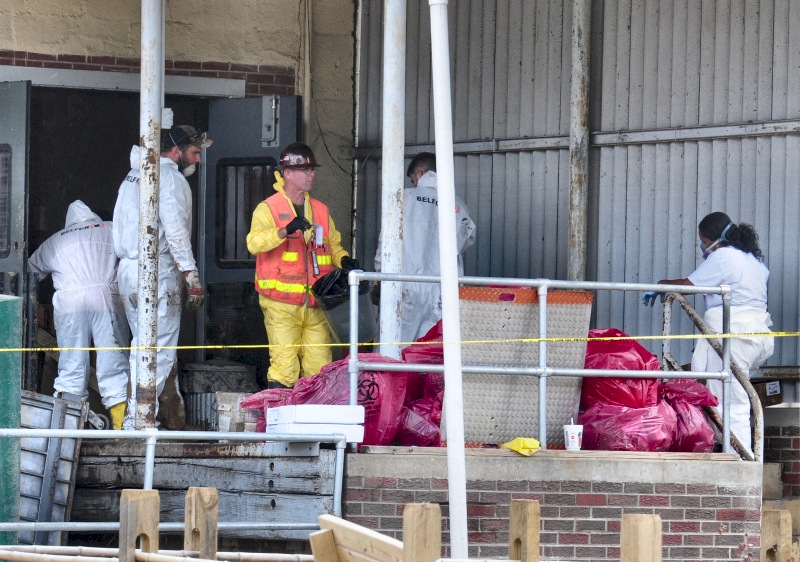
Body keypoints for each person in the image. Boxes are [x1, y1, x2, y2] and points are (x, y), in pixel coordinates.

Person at [644, 212, 774, 454]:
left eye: (704, 242)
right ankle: (729, 450)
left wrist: (661, 284)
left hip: (734, 336)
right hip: (757, 337)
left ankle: (739, 464)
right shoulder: (754, 261)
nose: (705, 248)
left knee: (729, 401)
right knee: (726, 394)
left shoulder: (724, 256)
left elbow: (690, 285)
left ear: (714, 239)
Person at [113, 125, 212, 424]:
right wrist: (191, 274)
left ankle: (137, 416)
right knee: (160, 350)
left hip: (128, 270)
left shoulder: (132, 176)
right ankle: (140, 420)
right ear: (177, 150)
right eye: (195, 153)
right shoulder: (169, 177)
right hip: (156, 270)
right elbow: (175, 228)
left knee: (140, 346)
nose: (198, 160)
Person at [246, 142, 356, 388]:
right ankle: (278, 422)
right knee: (285, 368)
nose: (312, 174)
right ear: (287, 173)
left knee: (320, 370)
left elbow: (332, 244)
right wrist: (284, 230)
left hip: (316, 303)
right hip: (281, 304)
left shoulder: (320, 209)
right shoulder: (268, 208)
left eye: (312, 169)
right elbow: (253, 243)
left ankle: (313, 423)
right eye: (305, 169)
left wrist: (344, 260)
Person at [29, 200, 130, 430]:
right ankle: (121, 430)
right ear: (92, 217)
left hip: (70, 304)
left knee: (72, 367)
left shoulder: (56, 240)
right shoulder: (110, 228)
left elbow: (29, 271)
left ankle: (68, 434)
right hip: (106, 298)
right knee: (113, 365)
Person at [374, 151, 476, 345]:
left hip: (405, 285)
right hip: (441, 290)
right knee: (429, 354)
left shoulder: (402, 198)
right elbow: (467, 240)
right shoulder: (459, 205)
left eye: (413, 179)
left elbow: (386, 245)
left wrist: (381, 277)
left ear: (419, 174)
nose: (413, 183)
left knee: (391, 349)